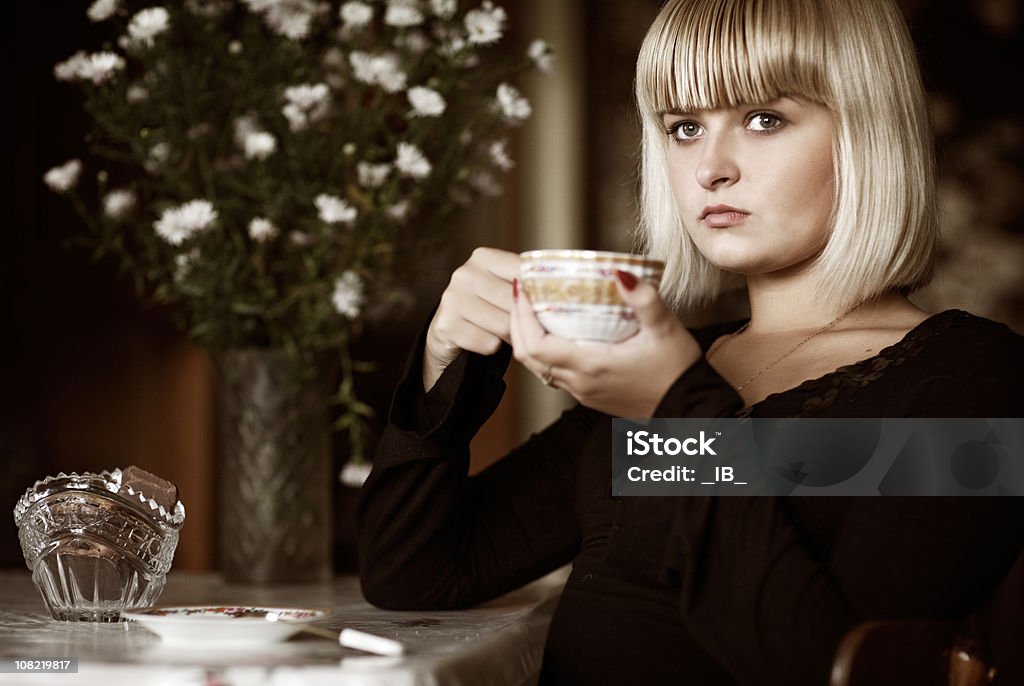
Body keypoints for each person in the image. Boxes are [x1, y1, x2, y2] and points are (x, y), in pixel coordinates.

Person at [355, 0, 1024, 683]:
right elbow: (416, 574)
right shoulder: (672, 362)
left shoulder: (974, 381)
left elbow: (834, 668)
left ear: (868, 133)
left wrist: (675, 412)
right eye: (683, 127)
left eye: (764, 119)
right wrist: (447, 361)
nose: (711, 168)